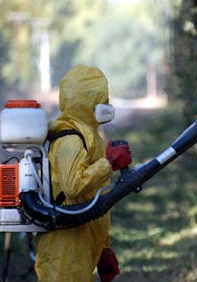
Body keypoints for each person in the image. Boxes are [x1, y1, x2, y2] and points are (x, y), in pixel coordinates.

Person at [35, 65, 131, 282]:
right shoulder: (70, 139)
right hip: (64, 245)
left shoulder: (88, 134)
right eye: (102, 99)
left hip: (79, 238)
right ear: (88, 101)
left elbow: (92, 202)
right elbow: (73, 186)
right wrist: (108, 163)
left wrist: (102, 249)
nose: (106, 104)